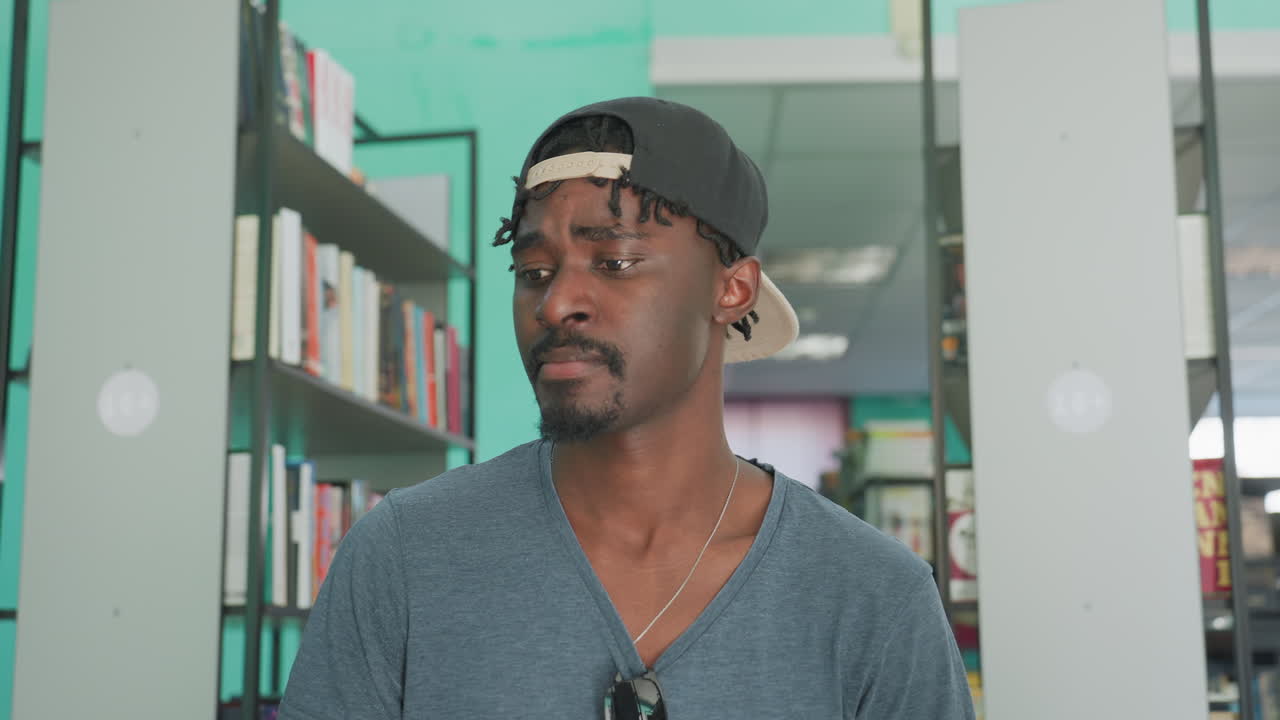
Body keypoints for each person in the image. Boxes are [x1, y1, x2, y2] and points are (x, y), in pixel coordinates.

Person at [278, 96, 975, 719]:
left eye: (613, 263)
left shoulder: (872, 596)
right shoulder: (403, 557)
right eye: (533, 273)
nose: (555, 303)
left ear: (731, 291)